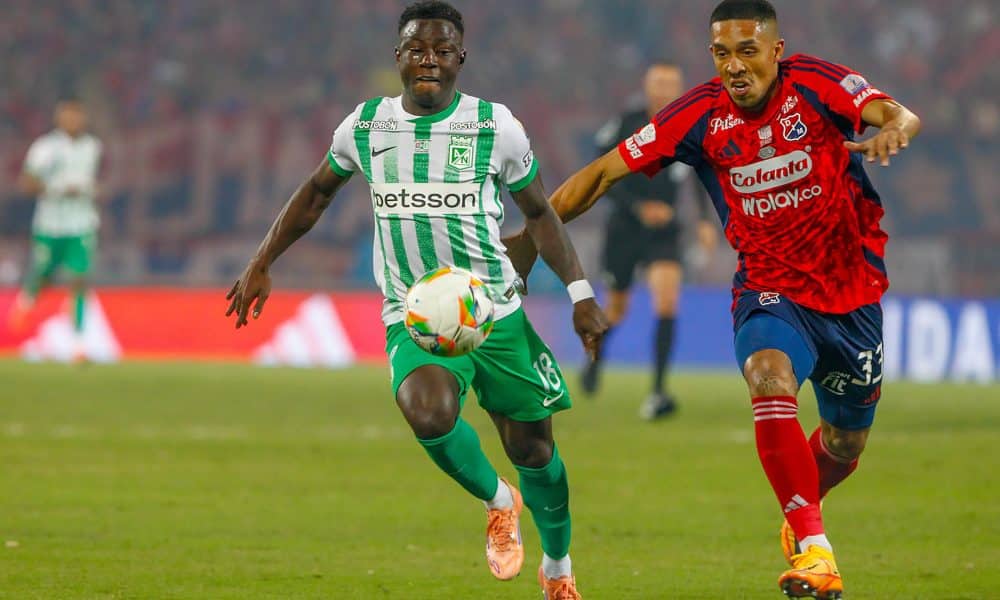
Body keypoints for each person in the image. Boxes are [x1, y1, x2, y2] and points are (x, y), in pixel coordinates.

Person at [505, 0, 921, 597]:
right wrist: (524, 244)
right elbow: (601, 174)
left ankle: (800, 509)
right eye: (722, 53)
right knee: (768, 374)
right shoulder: (698, 115)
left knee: (844, 441)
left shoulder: (818, 84)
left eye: (748, 51)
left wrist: (896, 128)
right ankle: (817, 550)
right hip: (769, 290)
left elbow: (894, 113)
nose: (735, 66)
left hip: (851, 294)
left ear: (776, 52)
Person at [225, 2, 607, 598]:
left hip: (495, 311)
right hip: (415, 312)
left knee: (534, 449)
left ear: (460, 57)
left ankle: (557, 566)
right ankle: (497, 500)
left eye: (442, 49)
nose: (429, 59)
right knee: (426, 409)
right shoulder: (366, 125)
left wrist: (580, 291)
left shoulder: (493, 126)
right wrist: (262, 259)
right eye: (416, 49)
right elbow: (315, 193)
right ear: (398, 57)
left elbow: (539, 213)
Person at [583, 61, 718, 420]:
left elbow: (703, 172)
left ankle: (659, 390)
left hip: (665, 231)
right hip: (625, 228)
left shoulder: (691, 126)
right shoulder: (626, 123)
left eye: (671, 83)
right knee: (616, 309)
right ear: (646, 85)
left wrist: (705, 220)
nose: (664, 89)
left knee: (667, 300)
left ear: (680, 87)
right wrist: (638, 207)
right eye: (658, 82)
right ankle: (596, 359)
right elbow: (599, 172)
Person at [9, 99, 103, 360]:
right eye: (68, 116)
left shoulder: (93, 147)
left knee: (80, 278)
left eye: (77, 116)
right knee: (43, 274)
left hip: (82, 224)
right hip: (50, 224)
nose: (73, 121)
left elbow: (95, 181)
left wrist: (93, 190)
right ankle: (27, 300)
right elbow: (26, 184)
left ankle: (79, 345)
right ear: (59, 119)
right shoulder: (45, 148)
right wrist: (56, 190)